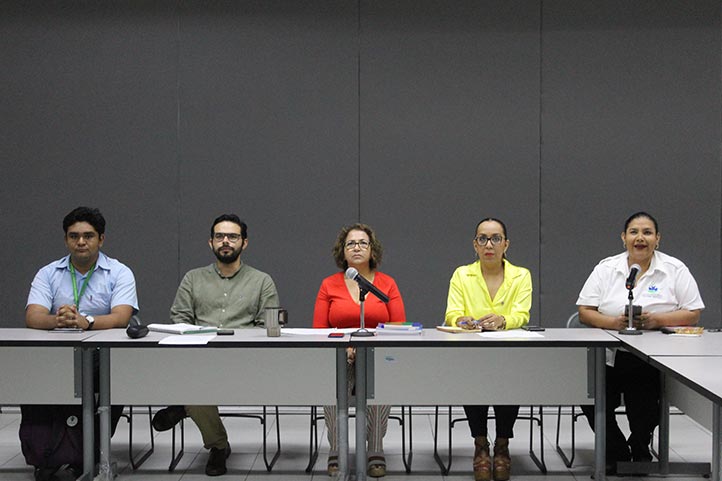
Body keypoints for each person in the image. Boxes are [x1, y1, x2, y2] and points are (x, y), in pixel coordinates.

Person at [151, 214, 279, 477]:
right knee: (197, 383)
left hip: (244, 359)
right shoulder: (192, 278)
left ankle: (181, 407)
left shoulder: (262, 281)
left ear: (245, 243)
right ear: (210, 243)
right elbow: (179, 318)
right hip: (200, 356)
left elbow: (267, 326)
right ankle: (218, 446)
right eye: (220, 236)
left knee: (194, 386)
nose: (226, 242)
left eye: (232, 236)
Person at [577, 211, 704, 473]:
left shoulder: (674, 269)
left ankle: (639, 444)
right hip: (609, 354)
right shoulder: (607, 268)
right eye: (634, 232)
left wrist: (657, 320)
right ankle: (616, 449)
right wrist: (613, 323)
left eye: (647, 232)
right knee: (589, 397)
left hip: (655, 356)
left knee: (646, 404)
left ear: (658, 239)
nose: (640, 238)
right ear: (623, 238)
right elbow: (585, 311)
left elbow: (693, 312)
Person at [24, 206, 138, 479]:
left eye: (88, 236)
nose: (81, 242)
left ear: (101, 239)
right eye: (74, 236)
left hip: (105, 356)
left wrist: (85, 322)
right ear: (66, 240)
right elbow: (33, 315)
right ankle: (48, 452)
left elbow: (122, 317)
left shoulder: (119, 272)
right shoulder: (48, 273)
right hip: (58, 356)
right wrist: (59, 320)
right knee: (35, 383)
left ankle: (83, 454)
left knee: (108, 382)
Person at [313, 223, 406, 478]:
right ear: (342, 252)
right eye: (350, 243)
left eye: (362, 243)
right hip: (339, 354)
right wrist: (345, 348)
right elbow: (319, 330)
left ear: (372, 250)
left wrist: (367, 348)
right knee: (332, 379)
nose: (356, 247)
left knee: (378, 375)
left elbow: (398, 327)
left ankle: (375, 448)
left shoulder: (387, 284)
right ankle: (336, 448)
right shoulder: (329, 285)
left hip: (377, 353)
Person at [444, 218, 532, 481]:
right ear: (475, 244)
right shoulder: (462, 274)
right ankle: (481, 445)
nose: (489, 244)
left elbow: (522, 314)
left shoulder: (521, 275)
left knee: (509, 379)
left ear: (506, 244)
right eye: (482, 239)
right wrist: (461, 321)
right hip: (472, 350)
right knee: (474, 377)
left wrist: (503, 320)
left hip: (509, 351)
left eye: (495, 238)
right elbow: (452, 313)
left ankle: (502, 444)